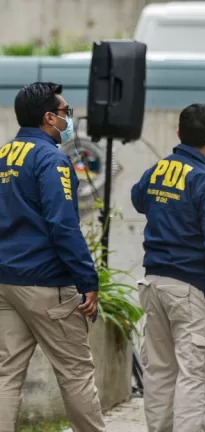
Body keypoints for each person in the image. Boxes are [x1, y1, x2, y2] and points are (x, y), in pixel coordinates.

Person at [0, 82, 105, 431]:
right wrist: (87, 280)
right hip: (46, 284)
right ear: (49, 117)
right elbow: (63, 225)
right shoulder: (52, 159)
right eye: (65, 112)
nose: (69, 118)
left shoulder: (4, 155)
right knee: (75, 372)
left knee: (7, 373)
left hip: (6, 282)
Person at [131, 103, 205, 432]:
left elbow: (138, 199)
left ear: (178, 132)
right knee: (194, 375)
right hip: (189, 291)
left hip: (153, 284)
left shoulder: (158, 170)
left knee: (159, 372)